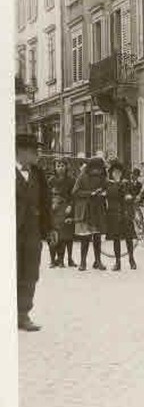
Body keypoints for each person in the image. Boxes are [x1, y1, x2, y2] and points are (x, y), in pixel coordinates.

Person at [16, 134, 57, 331]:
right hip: (11, 232)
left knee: (30, 273)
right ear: (20, 151)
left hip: (32, 232)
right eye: (34, 150)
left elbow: (46, 203)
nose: (38, 154)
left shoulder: (38, 173)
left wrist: (49, 229)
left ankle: (23, 314)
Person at [72, 157, 109, 271]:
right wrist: (90, 193)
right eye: (95, 169)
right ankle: (83, 262)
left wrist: (104, 193)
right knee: (85, 237)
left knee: (97, 236)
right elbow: (75, 192)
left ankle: (98, 261)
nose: (97, 171)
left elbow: (106, 188)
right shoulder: (83, 176)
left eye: (99, 169)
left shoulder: (103, 177)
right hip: (86, 210)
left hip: (98, 210)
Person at [105, 160, 138, 271]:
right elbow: (110, 195)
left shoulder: (126, 183)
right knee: (116, 239)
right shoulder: (108, 184)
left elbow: (131, 194)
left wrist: (129, 195)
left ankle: (131, 260)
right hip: (113, 214)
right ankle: (118, 262)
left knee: (128, 238)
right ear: (111, 173)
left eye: (119, 172)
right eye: (115, 172)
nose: (117, 174)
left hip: (125, 213)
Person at [48, 159, 76, 268]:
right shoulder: (51, 180)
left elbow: (74, 195)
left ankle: (65, 259)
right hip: (54, 210)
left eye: (62, 165)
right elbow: (46, 195)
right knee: (53, 235)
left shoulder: (71, 180)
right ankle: (52, 260)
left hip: (66, 210)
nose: (60, 167)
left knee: (66, 235)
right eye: (58, 165)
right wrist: (51, 204)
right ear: (55, 167)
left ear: (66, 167)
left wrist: (70, 206)